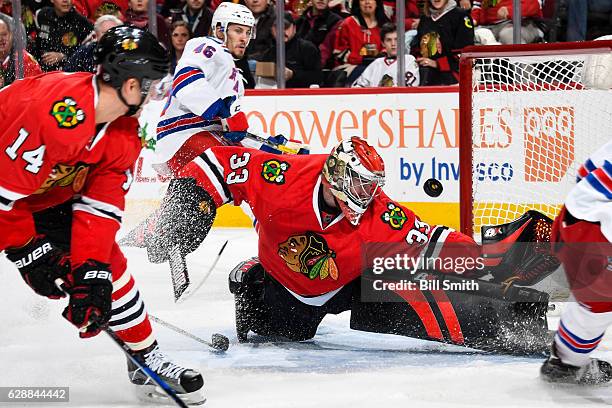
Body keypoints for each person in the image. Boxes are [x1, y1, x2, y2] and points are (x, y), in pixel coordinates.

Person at [150, 136, 559, 353]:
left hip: (351, 280)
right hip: (285, 288)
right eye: (362, 183)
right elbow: (216, 162)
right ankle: (251, 278)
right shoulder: (284, 176)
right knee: (283, 334)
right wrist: (185, 213)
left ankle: (513, 322)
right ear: (338, 176)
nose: (369, 193)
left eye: (373, 185)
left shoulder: (381, 214)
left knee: (414, 289)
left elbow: (431, 241)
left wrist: (488, 256)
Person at [0, 26, 205, 404]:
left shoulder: (124, 133)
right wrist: (28, 251)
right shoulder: (53, 114)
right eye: (151, 84)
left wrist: (90, 273)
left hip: (40, 194)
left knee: (106, 269)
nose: (154, 94)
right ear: (129, 84)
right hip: (11, 192)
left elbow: (98, 210)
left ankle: (146, 358)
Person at [540, 44, 612, 383]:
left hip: (575, 219)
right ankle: (566, 364)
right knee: (597, 304)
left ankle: (566, 362)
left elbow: (584, 172)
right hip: (591, 232)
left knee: (595, 304)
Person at [153, 2, 257, 176]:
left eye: (248, 32)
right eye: (238, 31)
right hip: (184, 136)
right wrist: (222, 111)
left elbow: (232, 126)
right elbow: (185, 79)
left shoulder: (235, 76)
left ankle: (177, 201)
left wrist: (270, 144)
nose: (244, 38)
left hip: (202, 137)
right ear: (219, 29)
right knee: (238, 166)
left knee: (252, 161)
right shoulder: (208, 45)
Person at [413, 0, 474, 85]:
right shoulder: (425, 18)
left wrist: (438, 63)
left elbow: (465, 54)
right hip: (427, 73)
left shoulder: (461, 16)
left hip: (455, 76)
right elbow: (417, 49)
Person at [259, 12, 322, 88]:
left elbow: (318, 77)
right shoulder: (268, 53)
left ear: (294, 28)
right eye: (278, 28)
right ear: (272, 30)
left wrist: (292, 74)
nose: (282, 32)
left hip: (302, 95)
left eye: (286, 27)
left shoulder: (307, 49)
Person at [333, 0, 390, 84]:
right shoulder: (347, 24)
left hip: (379, 67)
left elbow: (389, 49)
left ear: (377, 3)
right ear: (358, 3)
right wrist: (362, 59)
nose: (367, 2)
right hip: (350, 67)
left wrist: (378, 57)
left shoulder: (384, 25)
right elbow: (340, 54)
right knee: (364, 71)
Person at [352, 22, 419, 87]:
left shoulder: (409, 60)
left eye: (396, 39)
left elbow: (408, 89)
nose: (393, 44)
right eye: (389, 40)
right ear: (383, 43)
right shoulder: (376, 63)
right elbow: (358, 86)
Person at [34, 0, 93, 71]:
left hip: (67, 73)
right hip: (40, 69)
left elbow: (87, 52)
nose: (65, 1)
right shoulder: (43, 15)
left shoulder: (82, 23)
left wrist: (63, 56)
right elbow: (38, 42)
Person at [471, 0, 543, 44]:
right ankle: (492, 63)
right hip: (490, 26)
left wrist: (510, 10)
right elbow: (479, 6)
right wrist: (473, 19)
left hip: (522, 24)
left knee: (508, 34)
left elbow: (534, 6)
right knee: (472, 35)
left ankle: (523, 69)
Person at [0, 16, 42, 88]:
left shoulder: (24, 59)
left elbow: (37, 88)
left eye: (4, 34)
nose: (1, 39)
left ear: (11, 35)